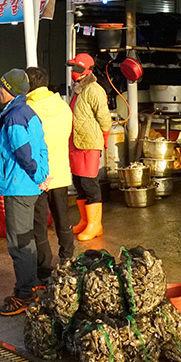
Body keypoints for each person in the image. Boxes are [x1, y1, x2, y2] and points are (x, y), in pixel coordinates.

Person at [0, 69, 49, 317]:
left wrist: (36, 175)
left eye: (2, 87)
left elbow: (24, 153)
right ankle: (31, 281)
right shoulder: (28, 112)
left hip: (20, 187)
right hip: (31, 186)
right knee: (28, 238)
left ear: (11, 91)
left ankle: (24, 294)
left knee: (19, 244)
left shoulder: (14, 117)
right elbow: (42, 147)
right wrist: (43, 176)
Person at [24, 66, 75, 274]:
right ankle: (68, 259)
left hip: (37, 175)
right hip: (60, 171)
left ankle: (44, 267)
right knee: (62, 217)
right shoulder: (63, 107)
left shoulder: (27, 109)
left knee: (39, 223)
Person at [68, 53, 112, 241]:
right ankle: (85, 221)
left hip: (89, 145)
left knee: (89, 184)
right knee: (79, 183)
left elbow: (105, 120)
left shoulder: (94, 89)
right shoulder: (78, 89)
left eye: (76, 68)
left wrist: (103, 139)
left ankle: (95, 224)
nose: (73, 71)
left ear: (85, 71)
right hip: (76, 144)